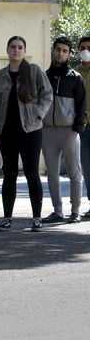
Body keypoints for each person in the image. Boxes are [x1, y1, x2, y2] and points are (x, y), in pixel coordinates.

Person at [0, 36, 53, 232]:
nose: (16, 50)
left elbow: (47, 94)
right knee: (9, 175)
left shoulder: (34, 72)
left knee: (32, 174)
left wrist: (38, 114)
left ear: (24, 51)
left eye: (20, 47)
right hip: (6, 132)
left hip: (30, 131)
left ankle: (37, 218)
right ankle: (7, 219)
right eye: (13, 47)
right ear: (7, 50)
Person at [41, 37, 86, 224]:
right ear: (53, 50)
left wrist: (76, 130)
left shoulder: (76, 78)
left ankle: (75, 211)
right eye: (58, 49)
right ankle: (57, 211)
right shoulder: (44, 77)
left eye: (64, 51)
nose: (60, 53)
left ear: (69, 54)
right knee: (52, 174)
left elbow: (82, 105)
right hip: (48, 131)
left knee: (74, 173)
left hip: (69, 132)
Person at [74, 35, 90, 218]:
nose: (86, 50)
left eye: (89, 47)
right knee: (86, 166)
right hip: (83, 127)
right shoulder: (75, 73)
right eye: (83, 47)